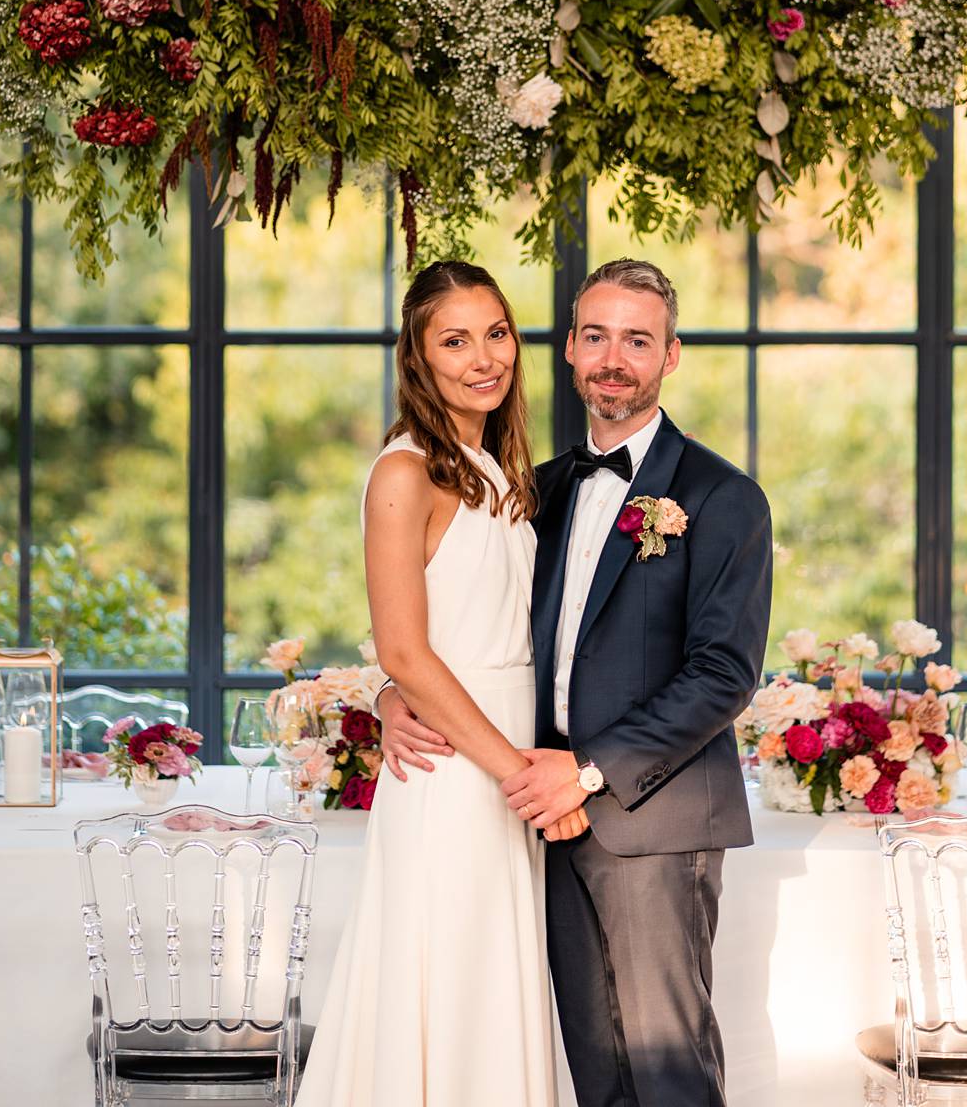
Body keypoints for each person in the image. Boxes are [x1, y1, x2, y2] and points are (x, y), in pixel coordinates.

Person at [380, 258, 773, 1107]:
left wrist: (585, 768)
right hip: (542, 825)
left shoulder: (722, 496)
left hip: (650, 820)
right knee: (593, 1072)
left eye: (637, 339)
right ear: (567, 348)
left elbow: (724, 673)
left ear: (672, 354)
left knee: (668, 1070)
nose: (612, 358)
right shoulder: (539, 490)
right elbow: (464, 622)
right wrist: (392, 693)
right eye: (595, 335)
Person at [296, 259, 565, 1107]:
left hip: (501, 758)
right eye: (455, 340)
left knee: (490, 978)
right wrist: (524, 776)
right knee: (446, 975)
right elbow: (405, 652)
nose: (483, 357)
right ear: (418, 355)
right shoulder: (404, 472)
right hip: (458, 771)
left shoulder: (498, 472)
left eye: (496, 332)